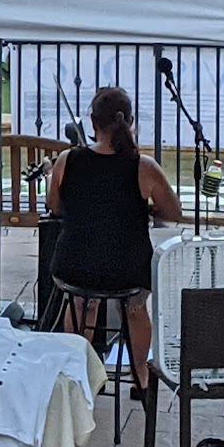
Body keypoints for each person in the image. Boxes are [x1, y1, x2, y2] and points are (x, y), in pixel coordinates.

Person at [45, 86, 182, 395]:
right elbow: (173, 210)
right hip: (126, 269)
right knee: (134, 308)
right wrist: (145, 207)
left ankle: (79, 375)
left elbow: (54, 206)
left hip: (74, 265)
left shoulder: (67, 160)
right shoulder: (143, 166)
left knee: (81, 302)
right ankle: (141, 379)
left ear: (92, 123)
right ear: (129, 122)